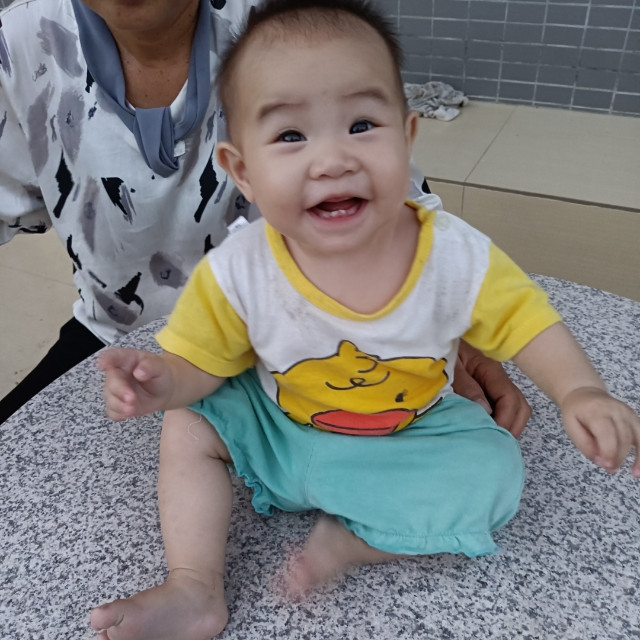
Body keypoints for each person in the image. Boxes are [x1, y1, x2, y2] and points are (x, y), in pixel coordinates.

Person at [91, 1, 640, 638]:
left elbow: (529, 323)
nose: (332, 160)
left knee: (495, 470)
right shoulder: (239, 268)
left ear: (407, 137)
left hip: (409, 434)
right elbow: (200, 363)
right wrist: (163, 382)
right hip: (277, 428)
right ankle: (194, 585)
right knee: (189, 423)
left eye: (361, 124)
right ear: (242, 171)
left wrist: (580, 390)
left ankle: (354, 542)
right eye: (290, 136)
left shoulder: (453, 255)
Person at [0, 0, 528, 429]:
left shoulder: (291, 23)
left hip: (310, 340)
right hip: (119, 335)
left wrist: (451, 327)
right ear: (237, 165)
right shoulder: (20, 43)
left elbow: (396, 201)